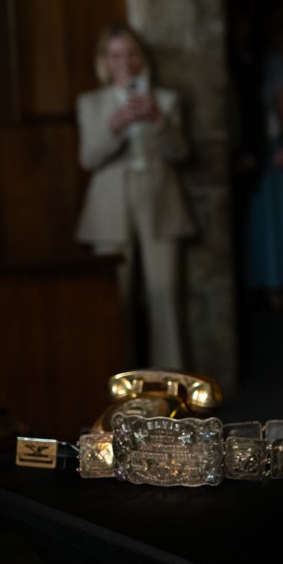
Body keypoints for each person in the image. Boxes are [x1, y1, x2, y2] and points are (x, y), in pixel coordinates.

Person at [74, 23, 196, 369]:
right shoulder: (91, 103)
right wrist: (113, 127)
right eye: (115, 56)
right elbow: (88, 159)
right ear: (105, 61)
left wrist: (158, 120)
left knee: (165, 296)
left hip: (159, 200)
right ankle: (120, 386)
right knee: (116, 299)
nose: (124, 63)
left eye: (131, 54)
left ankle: (171, 387)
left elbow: (181, 153)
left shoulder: (167, 99)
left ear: (142, 57)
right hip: (110, 203)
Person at [237, 33, 283, 312]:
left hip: (270, 145)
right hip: (243, 149)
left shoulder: (269, 60)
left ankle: (275, 287)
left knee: (273, 220)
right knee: (248, 221)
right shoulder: (231, 59)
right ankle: (248, 287)